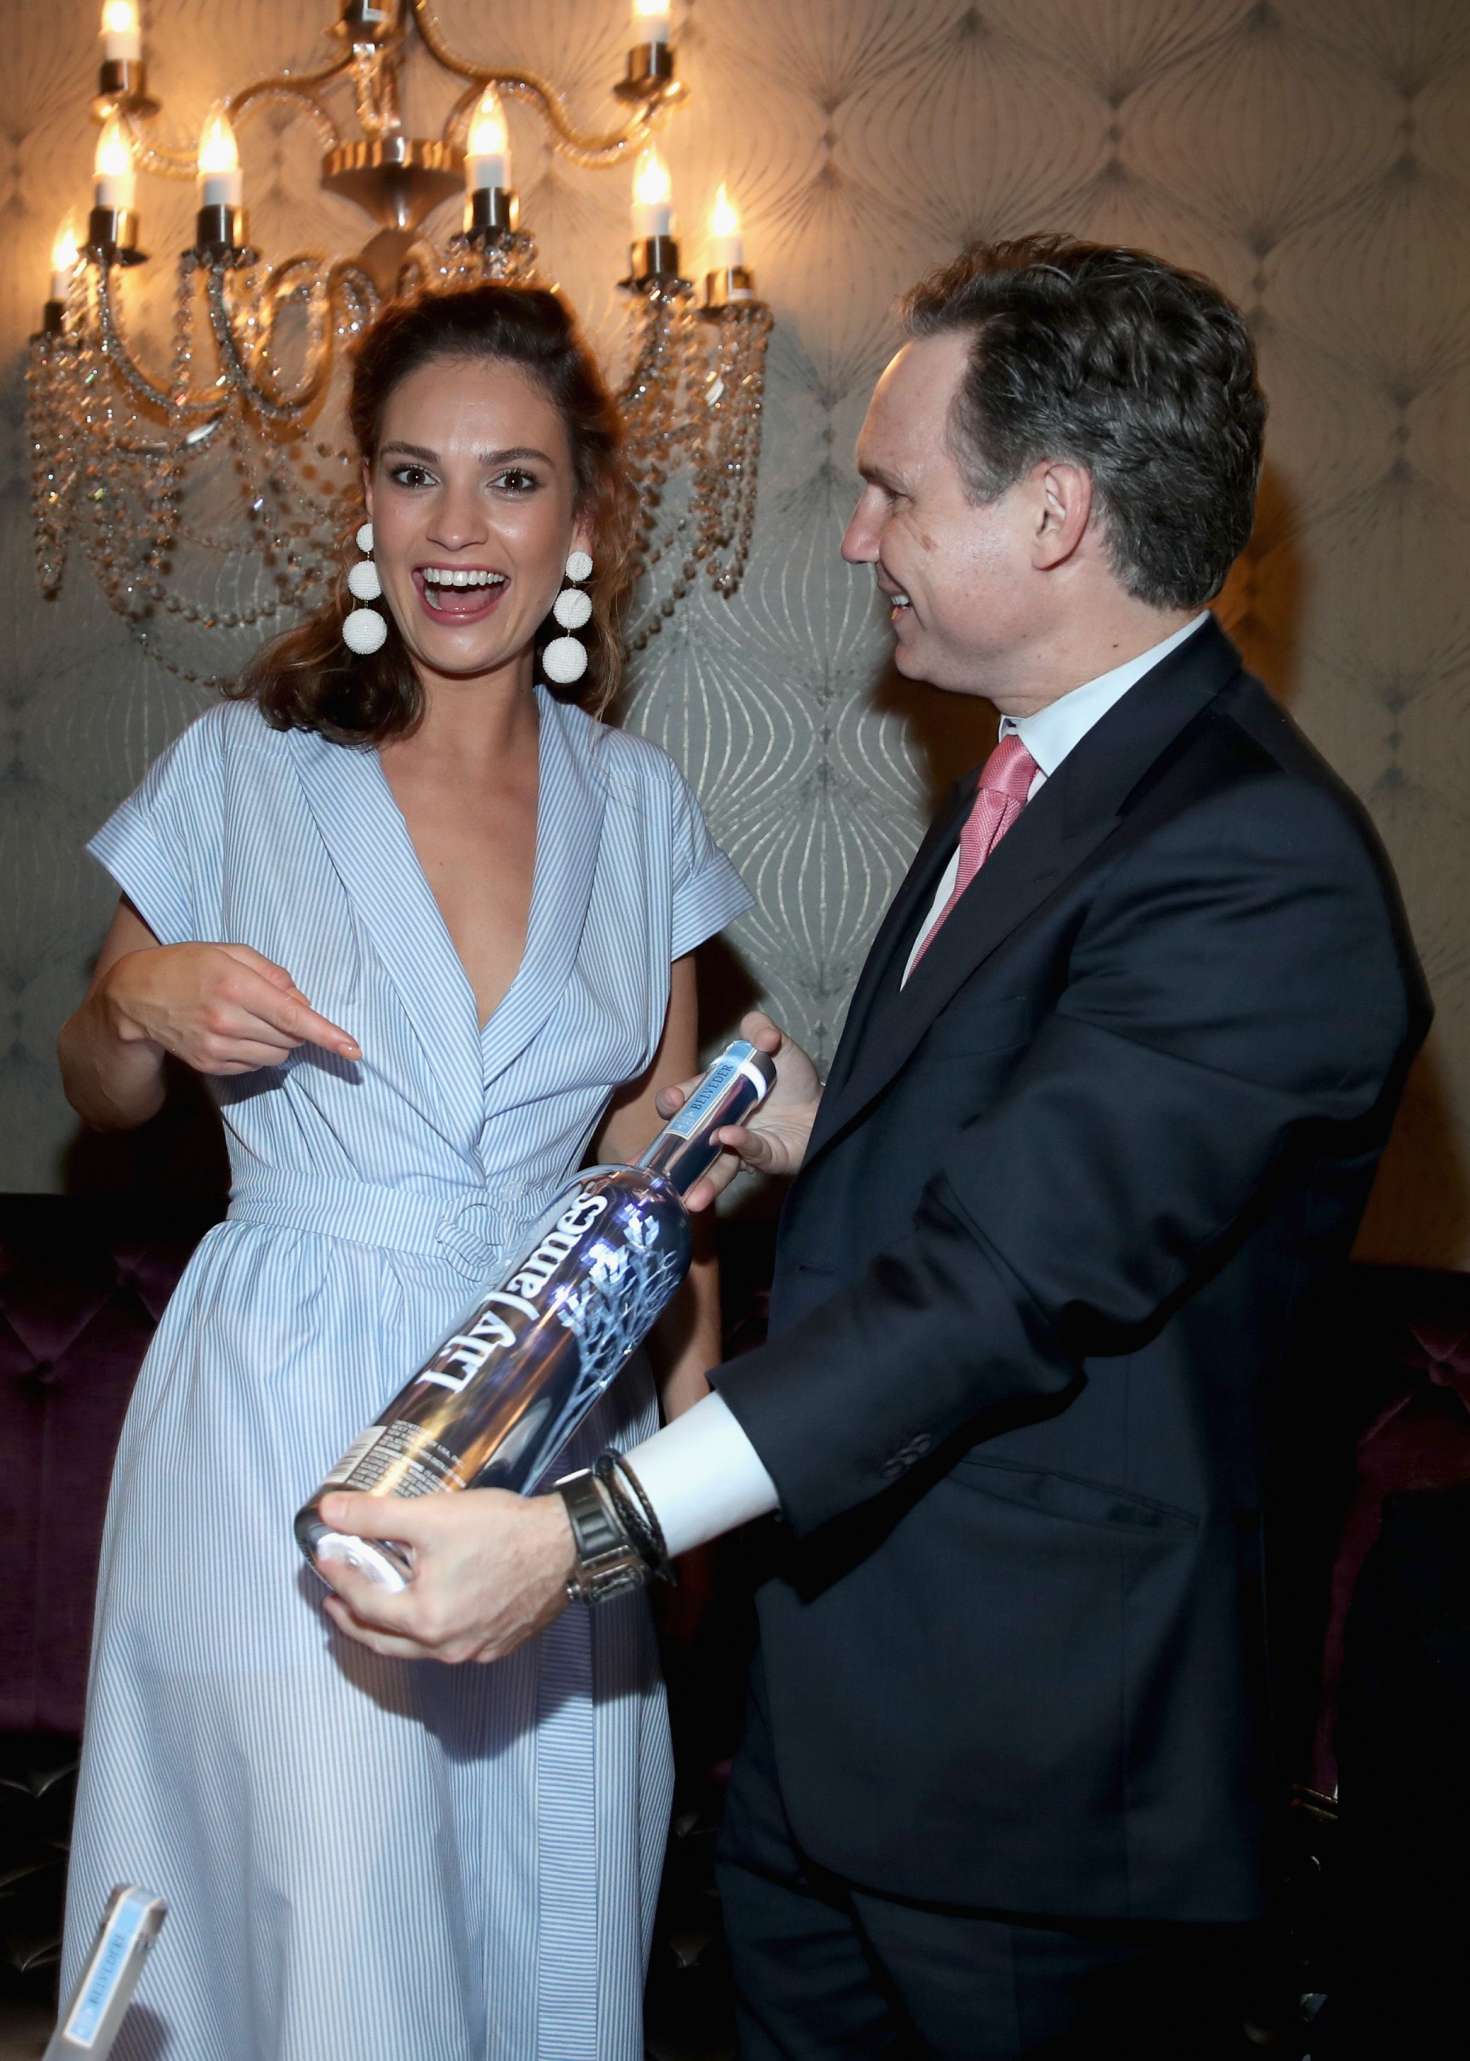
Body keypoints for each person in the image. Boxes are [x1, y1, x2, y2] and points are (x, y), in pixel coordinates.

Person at [320, 239, 1431, 2057]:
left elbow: (995, 1289)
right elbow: (1036, 1168)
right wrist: (828, 1125)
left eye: (894, 492)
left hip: (1037, 1790)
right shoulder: (1041, 773)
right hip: (838, 1738)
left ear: (1054, 513)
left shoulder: (1257, 863)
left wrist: (586, 1533)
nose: (856, 539)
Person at [56, 283, 751, 2061]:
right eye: (412, 473)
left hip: (549, 1414)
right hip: (281, 1406)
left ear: (579, 522)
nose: (457, 528)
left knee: (540, 1904)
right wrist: (135, 998)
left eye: (512, 479)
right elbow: (99, 1089)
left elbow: (657, 1166)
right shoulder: (242, 766)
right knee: (317, 1906)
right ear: (363, 502)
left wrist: (686, 1465)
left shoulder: (641, 804)